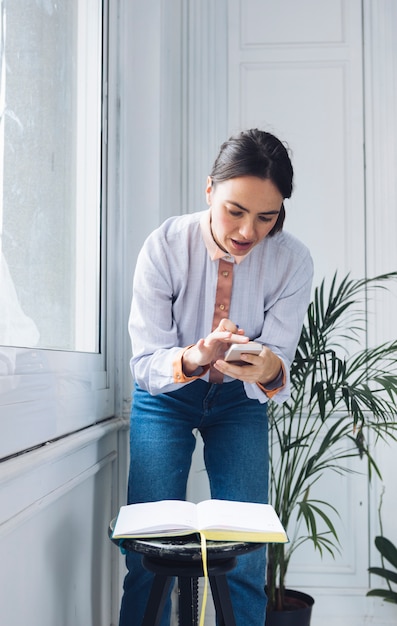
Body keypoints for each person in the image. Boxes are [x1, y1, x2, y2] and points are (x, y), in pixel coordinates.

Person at [119, 129, 313, 626]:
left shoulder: (292, 261)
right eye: (235, 210)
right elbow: (145, 363)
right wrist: (193, 357)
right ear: (209, 190)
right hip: (166, 400)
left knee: (248, 556)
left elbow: (278, 366)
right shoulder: (164, 246)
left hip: (240, 406)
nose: (248, 230)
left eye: (266, 217)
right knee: (149, 552)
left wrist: (269, 367)